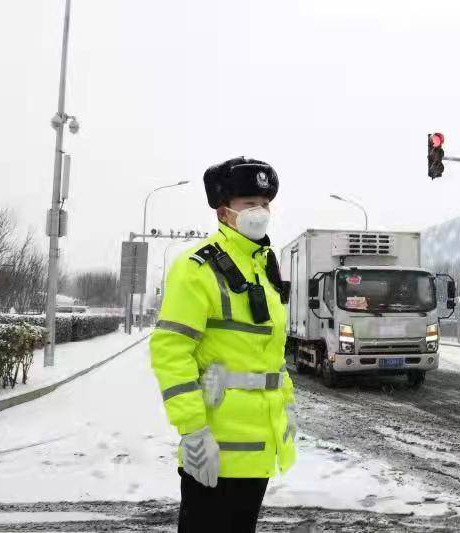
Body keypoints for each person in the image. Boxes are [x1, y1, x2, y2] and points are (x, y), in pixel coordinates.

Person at [150, 156, 296, 533]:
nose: (259, 212)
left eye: (264, 204)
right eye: (249, 204)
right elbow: (170, 351)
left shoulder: (264, 266)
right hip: (214, 449)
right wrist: (192, 431)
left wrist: (287, 405)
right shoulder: (197, 267)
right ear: (224, 210)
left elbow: (270, 351)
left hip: (258, 448)